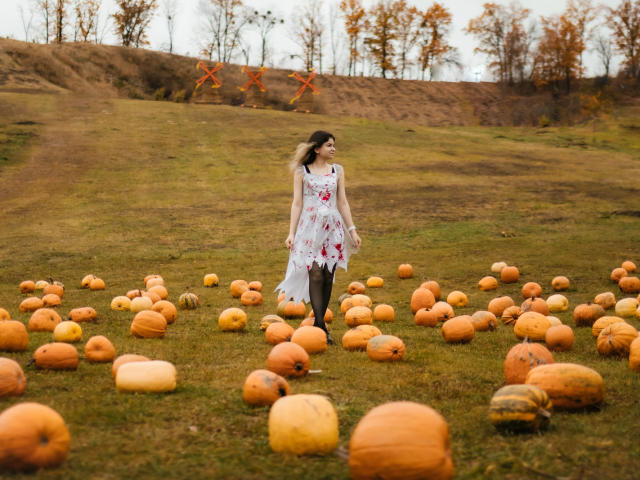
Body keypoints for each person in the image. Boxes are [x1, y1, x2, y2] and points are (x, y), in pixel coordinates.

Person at [275, 130, 361, 344]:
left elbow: (342, 202)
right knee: (315, 273)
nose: (333, 149)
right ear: (317, 148)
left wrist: (352, 230)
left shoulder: (337, 170)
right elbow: (297, 204)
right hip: (309, 229)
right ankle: (320, 324)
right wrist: (291, 232)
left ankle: (319, 323)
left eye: (334, 145)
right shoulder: (301, 172)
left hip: (333, 228)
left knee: (327, 275)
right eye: (329, 145)